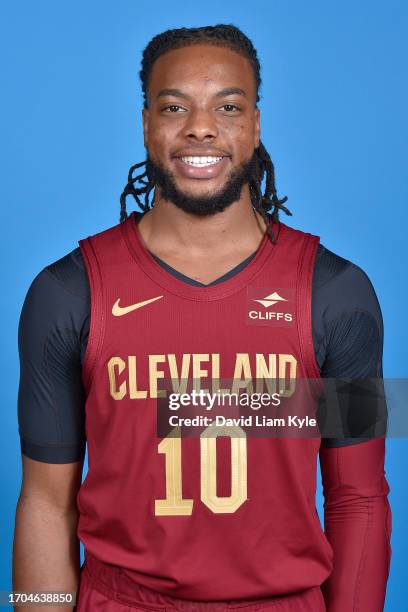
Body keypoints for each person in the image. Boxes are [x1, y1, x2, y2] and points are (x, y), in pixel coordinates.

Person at [13, 24, 392, 612]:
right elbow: (44, 502)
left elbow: (359, 497)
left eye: (228, 106)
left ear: (256, 124)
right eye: (174, 106)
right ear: (145, 124)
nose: (201, 127)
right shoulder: (66, 293)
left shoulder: (337, 293)